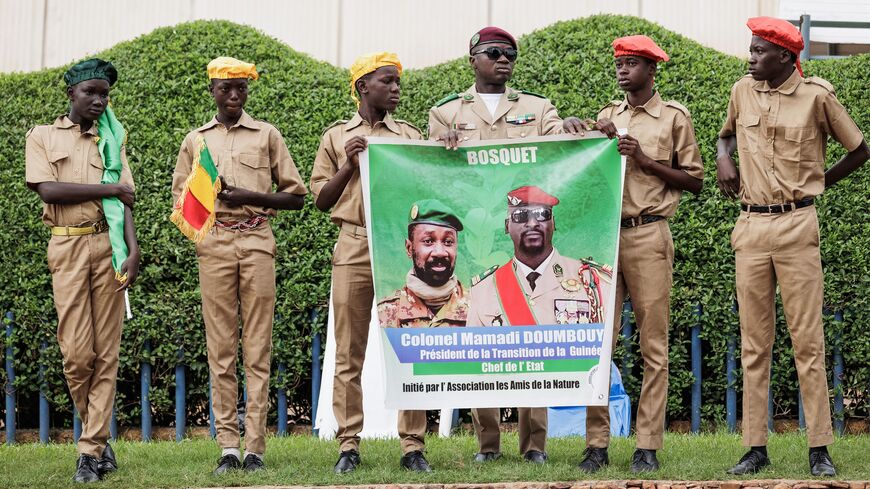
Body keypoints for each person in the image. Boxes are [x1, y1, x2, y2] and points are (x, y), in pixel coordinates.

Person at [716, 17, 869, 477]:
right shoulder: (742, 91)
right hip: (750, 227)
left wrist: (817, 185)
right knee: (754, 345)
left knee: (808, 342)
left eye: (759, 50)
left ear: (785, 56)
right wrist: (724, 157)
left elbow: (860, 149)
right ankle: (754, 448)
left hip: (797, 225)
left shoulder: (816, 95)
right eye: (751, 49)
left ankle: (819, 447)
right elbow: (725, 134)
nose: (751, 57)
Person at [428, 26, 587, 464]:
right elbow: (432, 172)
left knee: (530, 336)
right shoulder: (445, 114)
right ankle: (488, 444)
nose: (504, 61)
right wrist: (437, 148)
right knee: (484, 341)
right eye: (494, 53)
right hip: (479, 239)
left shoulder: (537, 108)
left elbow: (561, 143)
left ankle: (534, 444)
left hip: (525, 238)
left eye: (511, 55)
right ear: (473, 58)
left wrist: (573, 128)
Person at [172, 56, 308, 475]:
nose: (233, 95)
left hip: (256, 240)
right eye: (225, 88)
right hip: (213, 243)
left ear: (247, 91)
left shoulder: (266, 134)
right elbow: (181, 202)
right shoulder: (196, 140)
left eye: (240, 88)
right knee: (220, 349)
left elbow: (296, 196)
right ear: (212, 89)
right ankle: (228, 446)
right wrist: (210, 202)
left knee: (257, 348)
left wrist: (247, 195)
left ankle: (255, 449)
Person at [583, 35, 704, 473]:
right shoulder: (607, 116)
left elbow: (695, 181)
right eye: (619, 64)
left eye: (631, 64)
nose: (622, 71)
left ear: (652, 70)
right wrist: (585, 137)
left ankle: (647, 446)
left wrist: (646, 160)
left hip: (650, 234)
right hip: (604, 238)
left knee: (654, 345)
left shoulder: (674, 117)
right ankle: (596, 444)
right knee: (598, 343)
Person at [310, 52, 432, 473]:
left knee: (409, 346)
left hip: (400, 248)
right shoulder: (337, 136)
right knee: (349, 352)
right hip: (354, 246)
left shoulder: (411, 136)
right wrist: (349, 163)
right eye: (388, 81)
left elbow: (431, 186)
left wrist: (448, 147)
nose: (396, 88)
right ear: (364, 86)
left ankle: (413, 446)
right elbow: (322, 200)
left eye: (398, 81)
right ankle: (348, 445)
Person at [25, 58, 139, 483]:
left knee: (106, 353)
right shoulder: (42, 137)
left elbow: (124, 199)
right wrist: (107, 187)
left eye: (104, 94)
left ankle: (89, 450)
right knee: (77, 355)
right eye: (90, 92)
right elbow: (48, 189)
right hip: (67, 245)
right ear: (71, 93)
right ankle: (100, 437)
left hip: (107, 246)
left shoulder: (112, 138)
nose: (98, 100)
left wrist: (133, 248)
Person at [466, 185, 612, 463]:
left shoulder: (587, 278)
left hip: (559, 366)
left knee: (537, 355)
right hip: (502, 364)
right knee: (479, 356)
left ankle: (535, 447)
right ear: (507, 226)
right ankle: (488, 446)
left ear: (553, 223)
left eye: (541, 214)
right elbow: (475, 358)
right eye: (521, 216)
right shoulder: (485, 287)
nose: (532, 223)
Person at [377, 199, 469, 328]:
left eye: (448, 242)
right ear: (409, 248)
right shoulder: (384, 314)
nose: (440, 252)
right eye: (428, 241)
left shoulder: (479, 308)